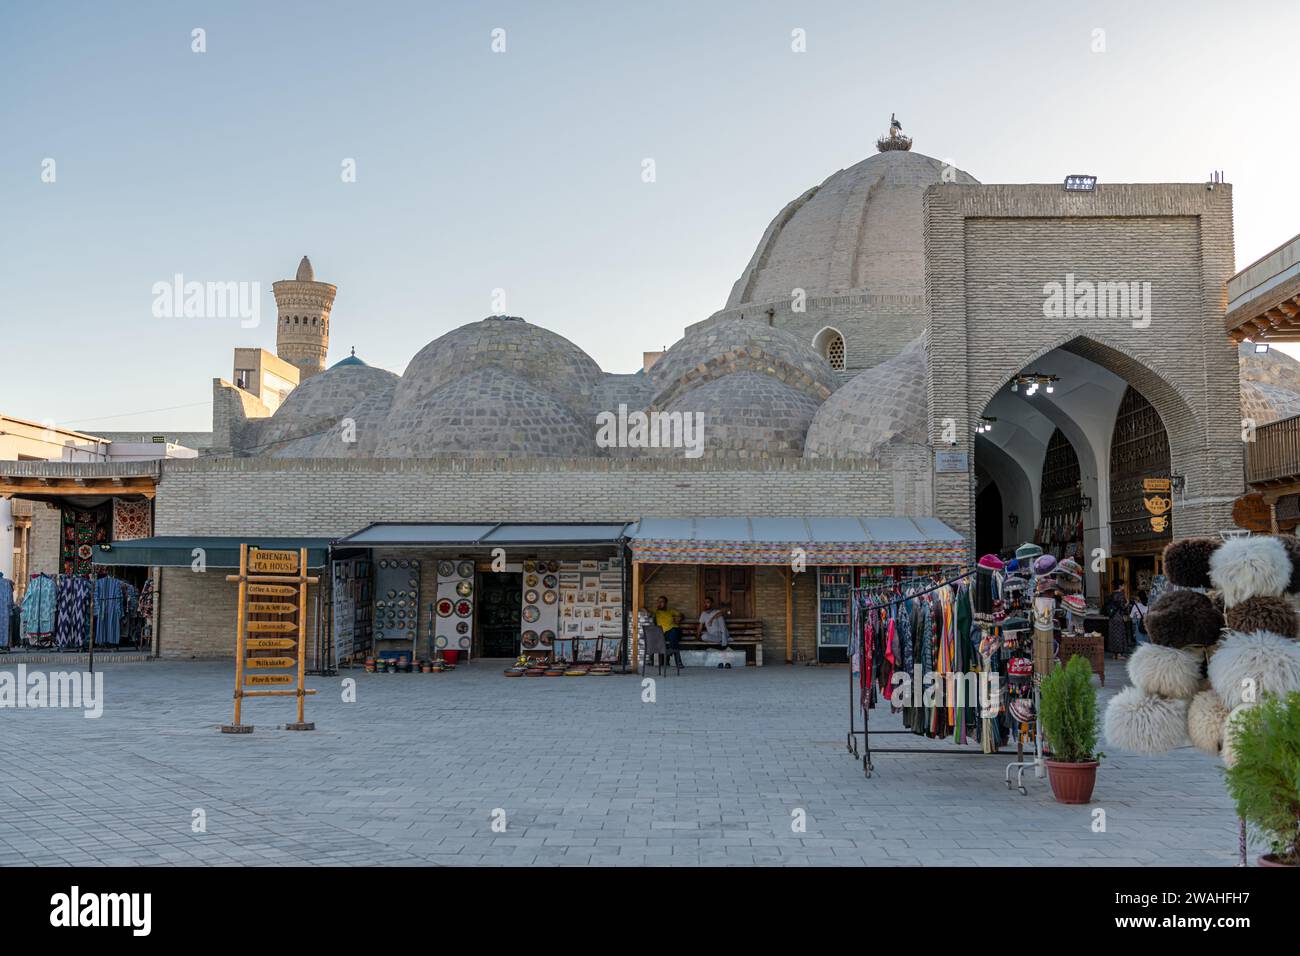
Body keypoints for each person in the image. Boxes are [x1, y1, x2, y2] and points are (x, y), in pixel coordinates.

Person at [698, 596, 731, 666]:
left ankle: (724, 639)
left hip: (722, 633)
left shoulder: (717, 611)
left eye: (708, 602)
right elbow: (700, 626)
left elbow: (721, 613)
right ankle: (723, 641)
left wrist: (712, 619)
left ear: (712, 604)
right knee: (704, 636)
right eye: (704, 602)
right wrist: (697, 636)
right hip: (714, 636)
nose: (706, 604)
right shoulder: (703, 614)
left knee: (720, 617)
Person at [653, 595, 683, 667]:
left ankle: (671, 651)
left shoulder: (670, 611)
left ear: (666, 603)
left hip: (676, 631)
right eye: (658, 602)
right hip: (665, 634)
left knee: (674, 631)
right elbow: (643, 610)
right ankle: (678, 661)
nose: (660, 603)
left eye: (662, 602)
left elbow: (681, 615)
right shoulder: (656, 612)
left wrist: (679, 618)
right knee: (674, 639)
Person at [1104, 585, 1132, 660]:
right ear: (1119, 586)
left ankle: (1114, 654)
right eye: (1123, 585)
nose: (1123, 586)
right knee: (1119, 635)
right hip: (1118, 617)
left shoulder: (1111, 595)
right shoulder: (1120, 595)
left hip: (1112, 617)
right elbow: (1123, 607)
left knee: (1113, 635)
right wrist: (1127, 603)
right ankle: (1119, 654)